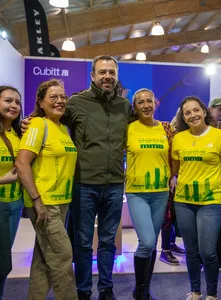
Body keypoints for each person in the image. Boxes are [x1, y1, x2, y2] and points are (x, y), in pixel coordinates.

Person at [64, 56, 131, 300]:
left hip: (114, 184)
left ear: (116, 76)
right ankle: (83, 291)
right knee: (82, 243)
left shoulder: (124, 106)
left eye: (111, 73)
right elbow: (52, 121)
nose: (107, 77)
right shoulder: (76, 103)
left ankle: (105, 289)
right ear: (92, 76)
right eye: (102, 72)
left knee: (107, 242)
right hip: (83, 184)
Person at [15, 79, 78, 300]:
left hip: (62, 202)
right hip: (45, 203)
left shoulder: (63, 128)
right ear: (41, 102)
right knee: (62, 257)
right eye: (53, 97)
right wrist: (37, 201)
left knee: (43, 259)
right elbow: (22, 164)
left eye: (63, 97)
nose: (60, 101)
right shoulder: (37, 125)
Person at [172, 96, 221, 300]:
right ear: (183, 117)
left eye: (196, 110)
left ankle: (212, 294)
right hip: (183, 202)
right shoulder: (179, 138)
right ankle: (196, 291)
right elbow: (176, 168)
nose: (192, 115)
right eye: (187, 112)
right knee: (191, 251)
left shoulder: (218, 135)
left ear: (204, 111)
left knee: (208, 252)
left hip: (210, 202)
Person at [126, 88, 171, 300]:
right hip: (137, 193)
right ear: (134, 107)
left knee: (152, 242)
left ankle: (144, 287)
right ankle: (141, 289)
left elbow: (173, 155)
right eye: (140, 102)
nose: (145, 105)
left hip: (160, 192)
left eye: (149, 101)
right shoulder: (128, 128)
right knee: (146, 241)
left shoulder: (165, 128)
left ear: (155, 103)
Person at [0, 86, 23, 300]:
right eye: (8, 101)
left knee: (3, 262)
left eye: (17, 102)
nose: (13, 106)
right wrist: (3, 179)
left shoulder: (18, 133)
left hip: (15, 205)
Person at [160, 109, 185, 266]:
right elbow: (170, 156)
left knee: (174, 216)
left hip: (185, 179)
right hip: (171, 179)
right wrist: (173, 176)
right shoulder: (169, 130)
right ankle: (165, 250)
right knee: (167, 216)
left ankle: (171, 244)